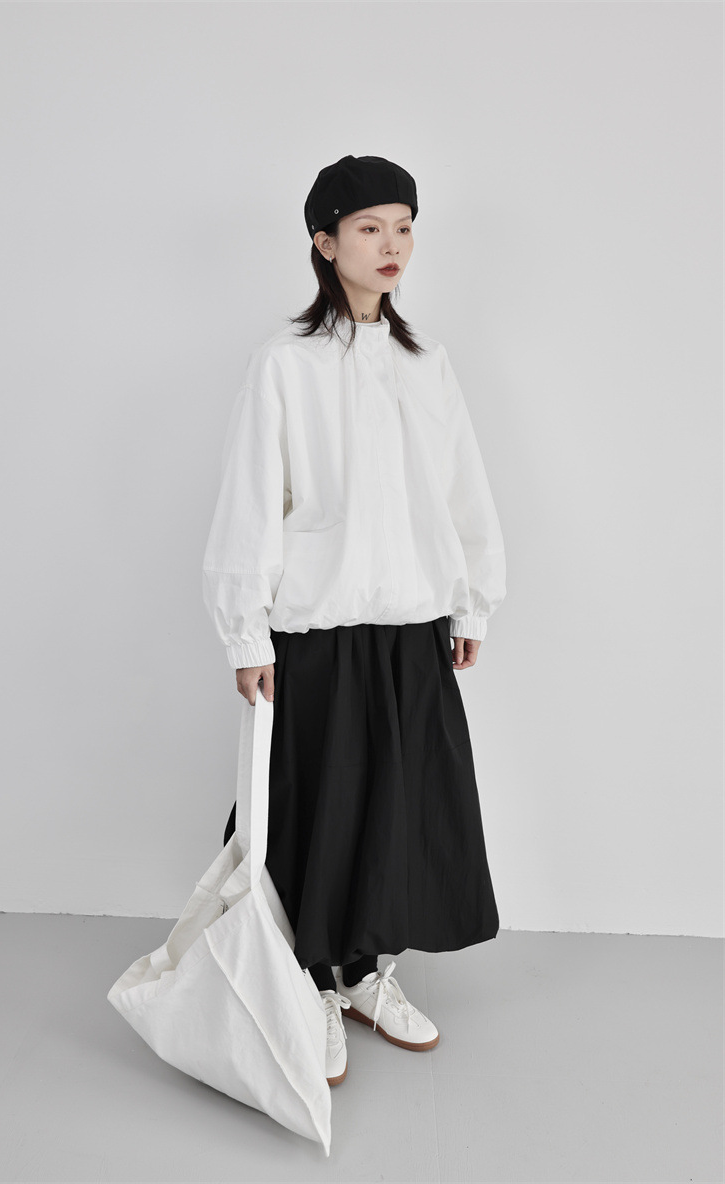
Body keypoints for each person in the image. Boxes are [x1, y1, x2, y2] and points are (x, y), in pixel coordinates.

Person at [201, 155, 506, 1088]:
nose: (392, 245)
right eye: (370, 227)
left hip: (411, 626)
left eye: (404, 227)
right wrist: (247, 632)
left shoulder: (425, 362)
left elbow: (461, 488)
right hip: (317, 629)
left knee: (400, 809)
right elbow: (253, 497)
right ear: (325, 242)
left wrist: (471, 597)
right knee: (318, 809)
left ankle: (367, 974)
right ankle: (309, 985)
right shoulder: (286, 363)